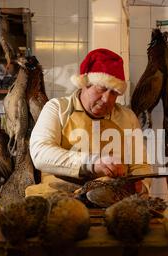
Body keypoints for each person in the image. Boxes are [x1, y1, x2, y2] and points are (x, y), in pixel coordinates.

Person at [25, 48, 152, 197]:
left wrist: (141, 186)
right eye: (102, 89)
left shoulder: (127, 118)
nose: (106, 99)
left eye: (113, 93)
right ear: (85, 83)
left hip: (111, 204)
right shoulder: (57, 109)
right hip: (59, 201)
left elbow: (140, 166)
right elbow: (40, 152)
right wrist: (91, 163)